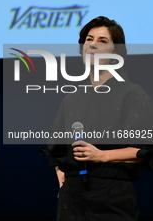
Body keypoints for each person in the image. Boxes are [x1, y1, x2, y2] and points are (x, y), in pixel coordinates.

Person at [42, 16, 153, 220]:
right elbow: (55, 150)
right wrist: (62, 176)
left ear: (117, 53)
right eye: (89, 40)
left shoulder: (133, 95)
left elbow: (145, 150)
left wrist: (102, 155)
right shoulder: (72, 99)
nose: (92, 45)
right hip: (72, 200)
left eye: (102, 41)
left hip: (113, 197)